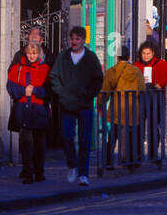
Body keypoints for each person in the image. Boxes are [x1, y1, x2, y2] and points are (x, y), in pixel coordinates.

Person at [49, 26, 104, 186]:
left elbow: (97, 80)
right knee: (66, 136)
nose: (74, 42)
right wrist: (62, 93)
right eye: (72, 38)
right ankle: (72, 164)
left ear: (83, 40)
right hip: (67, 105)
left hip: (85, 104)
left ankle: (83, 174)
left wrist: (88, 94)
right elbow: (54, 77)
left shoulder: (91, 58)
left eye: (78, 39)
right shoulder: (63, 57)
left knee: (85, 140)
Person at [7, 39, 51, 183]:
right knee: (25, 142)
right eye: (30, 53)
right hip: (23, 107)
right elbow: (10, 86)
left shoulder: (45, 68)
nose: (32, 56)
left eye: (35, 53)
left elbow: (50, 90)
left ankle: (39, 171)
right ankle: (27, 172)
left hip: (38, 108)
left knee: (39, 142)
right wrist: (23, 91)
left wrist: (36, 91)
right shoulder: (17, 68)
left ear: (39, 54)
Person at [101, 49, 145, 166]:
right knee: (131, 134)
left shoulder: (112, 71)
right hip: (132, 107)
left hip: (117, 106)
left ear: (117, 57)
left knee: (113, 134)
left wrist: (100, 104)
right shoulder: (136, 71)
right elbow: (141, 89)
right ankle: (131, 159)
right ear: (129, 58)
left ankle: (109, 160)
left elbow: (105, 89)